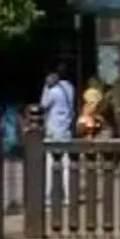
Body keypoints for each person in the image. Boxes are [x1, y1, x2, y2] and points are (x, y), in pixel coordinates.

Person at [40, 67, 75, 201]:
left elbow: (43, 104)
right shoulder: (70, 88)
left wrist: (45, 87)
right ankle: (68, 195)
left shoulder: (53, 91)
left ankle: (48, 196)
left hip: (53, 128)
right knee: (66, 162)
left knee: (49, 162)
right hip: (65, 128)